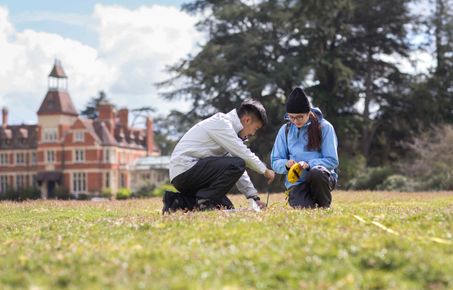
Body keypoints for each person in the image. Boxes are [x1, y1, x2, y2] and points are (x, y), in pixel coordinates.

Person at [163, 99, 275, 213]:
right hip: (185, 171)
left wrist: (253, 197)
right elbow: (242, 157)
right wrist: (265, 170)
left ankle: (175, 203)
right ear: (247, 120)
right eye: (255, 128)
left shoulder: (230, 134)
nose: (253, 134)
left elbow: (238, 168)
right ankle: (205, 201)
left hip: (188, 175)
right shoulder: (222, 123)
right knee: (238, 163)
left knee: (226, 208)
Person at [271, 87, 339, 208]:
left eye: (300, 117)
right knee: (305, 209)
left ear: (308, 113)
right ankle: (307, 203)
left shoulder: (325, 127)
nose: (296, 121)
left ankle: (324, 206)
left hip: (320, 178)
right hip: (296, 182)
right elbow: (275, 161)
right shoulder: (285, 130)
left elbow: (332, 160)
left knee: (316, 173)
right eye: (292, 117)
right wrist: (286, 164)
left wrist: (308, 164)